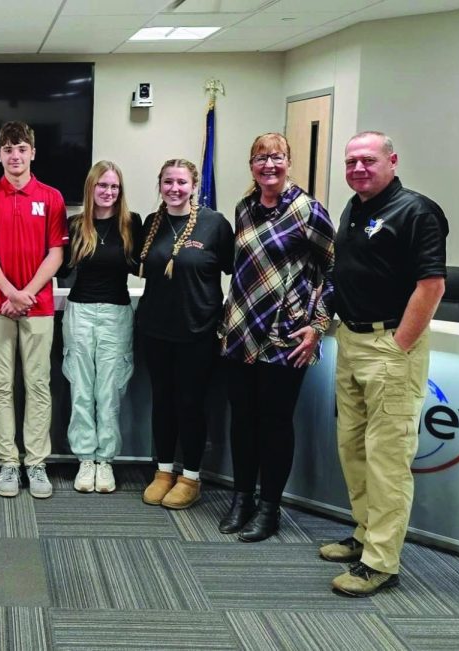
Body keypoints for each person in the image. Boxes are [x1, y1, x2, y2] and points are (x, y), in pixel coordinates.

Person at [320, 131, 447, 597]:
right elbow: (344, 272)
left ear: (392, 160)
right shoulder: (354, 208)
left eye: (367, 160)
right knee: (353, 449)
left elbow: (431, 286)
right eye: (351, 161)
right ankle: (363, 534)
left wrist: (399, 346)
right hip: (351, 342)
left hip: (390, 347)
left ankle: (381, 561)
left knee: (388, 460)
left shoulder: (417, 212)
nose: (358, 169)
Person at [218, 133, 335, 542]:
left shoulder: (309, 210)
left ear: (289, 161)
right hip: (240, 331)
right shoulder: (245, 208)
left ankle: (270, 508)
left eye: (277, 157)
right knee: (243, 422)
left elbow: (334, 271)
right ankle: (242, 498)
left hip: (285, 336)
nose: (269, 165)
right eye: (260, 158)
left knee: (274, 423)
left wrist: (318, 325)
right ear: (251, 165)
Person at [0, 121, 68, 499]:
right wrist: (10, 292)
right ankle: (8, 463)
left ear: (33, 152)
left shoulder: (52, 197)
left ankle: (36, 463)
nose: (15, 156)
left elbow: (56, 253)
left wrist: (26, 293)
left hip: (39, 305)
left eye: (22, 148)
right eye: (8, 150)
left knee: (38, 384)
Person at [137, 159, 233, 510]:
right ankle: (163, 472)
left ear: (194, 186)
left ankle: (190, 477)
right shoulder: (152, 224)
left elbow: (235, 269)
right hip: (156, 330)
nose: (174, 189)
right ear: (159, 185)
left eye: (181, 182)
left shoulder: (215, 225)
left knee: (191, 404)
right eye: (167, 182)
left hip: (198, 332)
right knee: (162, 402)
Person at [59, 161, 142, 493]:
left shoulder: (130, 223)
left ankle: (105, 460)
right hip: (79, 313)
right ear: (90, 188)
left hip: (116, 315)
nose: (108, 192)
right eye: (102, 186)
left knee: (108, 392)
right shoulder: (76, 224)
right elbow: (60, 268)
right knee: (81, 389)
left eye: (114, 187)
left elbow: (145, 264)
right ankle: (85, 459)